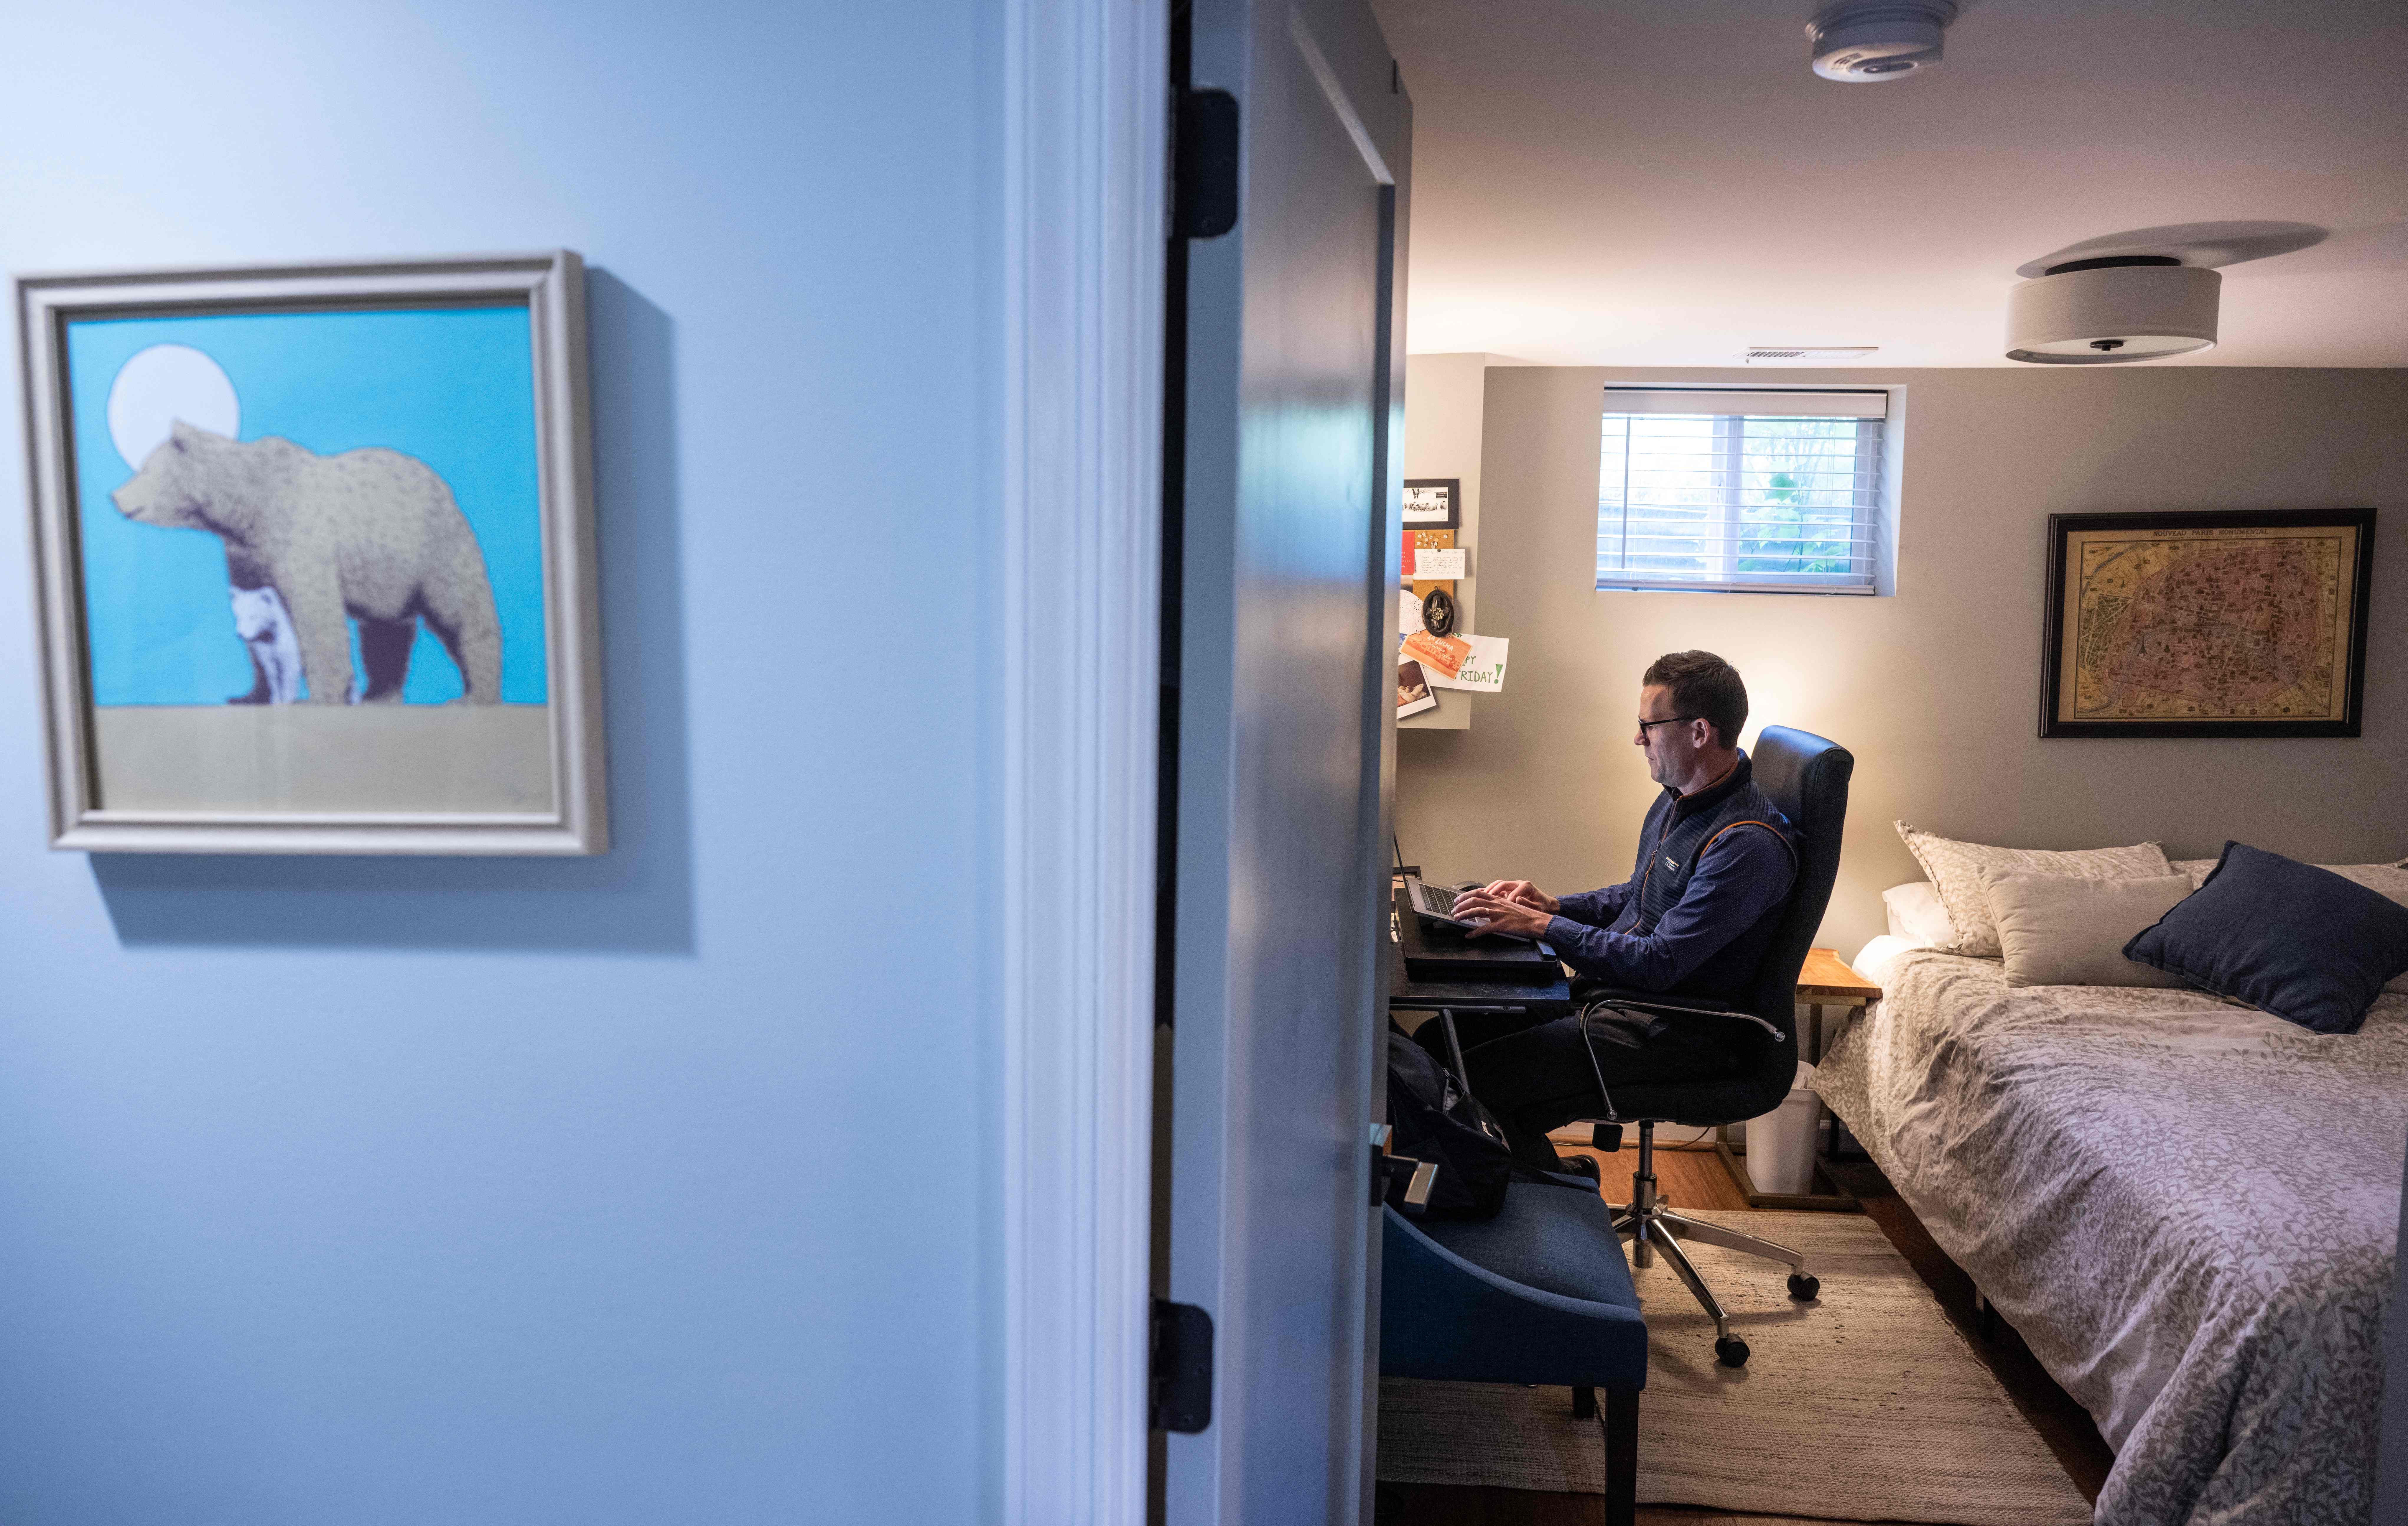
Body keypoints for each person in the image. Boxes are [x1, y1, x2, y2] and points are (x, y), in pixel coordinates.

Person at [1426, 650, 1797, 1172]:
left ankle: (1552, 1197)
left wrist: (1545, 926)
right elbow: (1636, 895)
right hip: (1618, 1000)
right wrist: (1552, 905)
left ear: (1698, 732)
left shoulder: (1746, 846)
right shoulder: (1679, 799)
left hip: (1675, 1031)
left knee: (1475, 1081)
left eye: (1649, 725)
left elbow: (1659, 962)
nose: (1637, 739)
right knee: (1436, 1042)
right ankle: (1551, 1180)